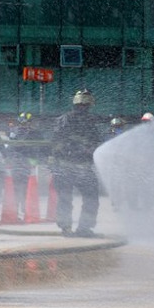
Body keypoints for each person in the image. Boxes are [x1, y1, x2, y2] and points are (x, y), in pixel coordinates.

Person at [50, 89, 104, 237]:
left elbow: (97, 141)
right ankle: (66, 227)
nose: (83, 108)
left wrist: (91, 150)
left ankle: (84, 228)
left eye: (85, 106)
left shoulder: (91, 121)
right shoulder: (65, 120)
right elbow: (56, 143)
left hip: (83, 167)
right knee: (65, 198)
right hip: (65, 166)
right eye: (82, 105)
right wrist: (75, 149)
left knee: (91, 197)